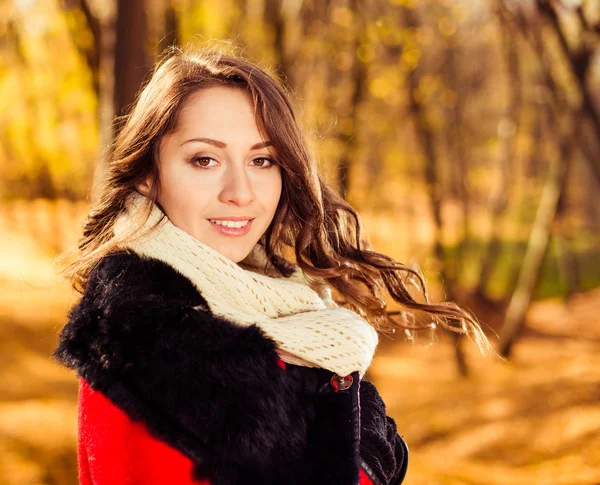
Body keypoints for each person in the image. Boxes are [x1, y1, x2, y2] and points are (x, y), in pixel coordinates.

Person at [53, 45, 491, 485]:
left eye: (262, 160)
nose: (241, 192)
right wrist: (367, 453)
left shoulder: (271, 301)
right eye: (205, 159)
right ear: (148, 175)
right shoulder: (144, 339)